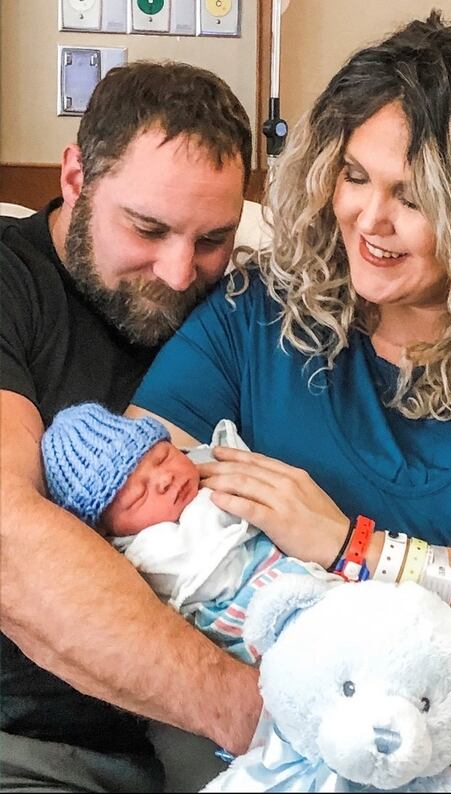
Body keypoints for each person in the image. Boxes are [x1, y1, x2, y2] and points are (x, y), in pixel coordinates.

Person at [129, 9, 451, 785]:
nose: (369, 222)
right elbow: (131, 499)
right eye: (354, 176)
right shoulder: (258, 315)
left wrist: (359, 550)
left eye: (413, 197)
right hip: (303, 747)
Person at [0, 61, 261, 793]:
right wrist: (254, 710)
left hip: (214, 749)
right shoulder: (12, 289)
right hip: (37, 742)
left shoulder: (236, 307)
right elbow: (7, 540)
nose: (180, 273)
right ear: (77, 176)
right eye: (147, 229)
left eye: (213, 238)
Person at [41, 403, 330, 663]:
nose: (165, 479)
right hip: (260, 621)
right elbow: (213, 572)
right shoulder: (150, 553)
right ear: (110, 532)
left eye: (163, 457)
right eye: (138, 496)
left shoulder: (204, 466)